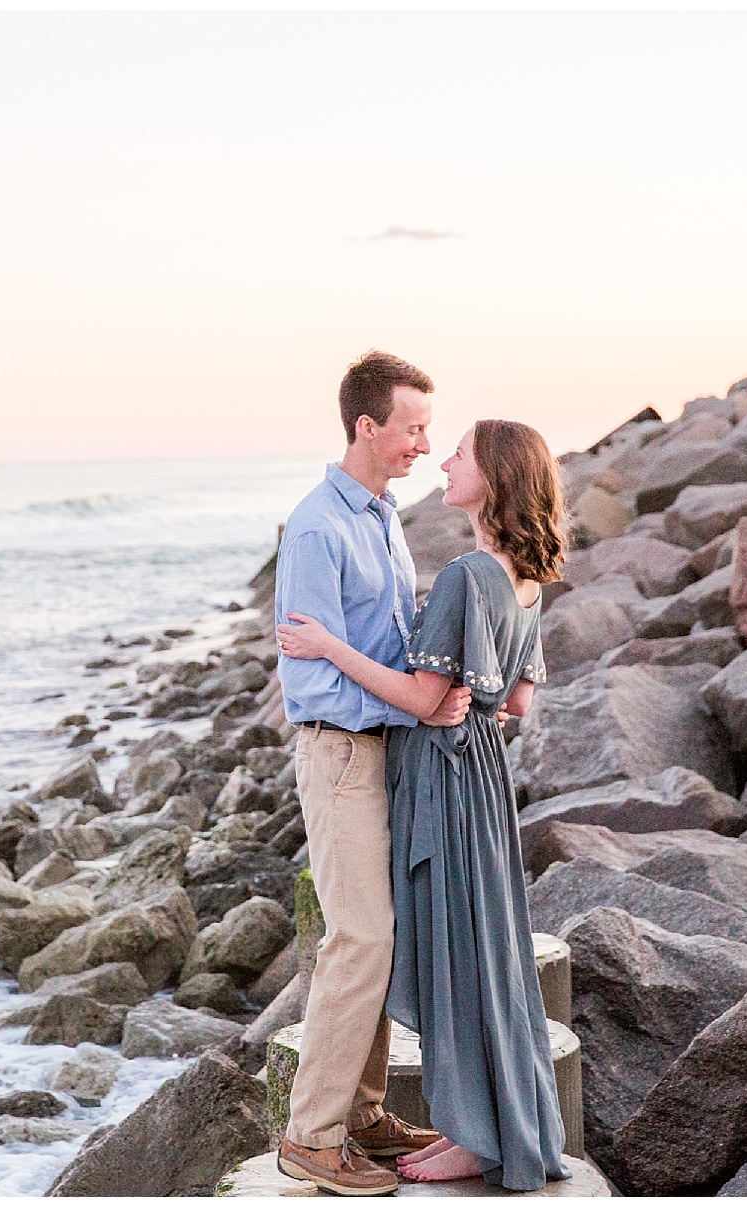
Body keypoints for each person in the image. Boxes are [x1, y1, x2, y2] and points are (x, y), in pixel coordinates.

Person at [277, 418, 572, 1191]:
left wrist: (333, 647)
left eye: (460, 453)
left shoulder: (468, 577)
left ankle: (473, 1131)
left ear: (496, 479)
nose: (442, 459)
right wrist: (461, 701)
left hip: (442, 780)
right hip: (484, 779)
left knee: (452, 953)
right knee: (486, 947)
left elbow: (419, 694)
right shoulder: (526, 581)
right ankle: (484, 1123)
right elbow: (516, 705)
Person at [271, 351, 470, 1196]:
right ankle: (311, 1136)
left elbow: (388, 640)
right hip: (344, 749)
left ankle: (361, 1113)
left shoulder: (383, 515)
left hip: (387, 745)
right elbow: (308, 674)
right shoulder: (317, 525)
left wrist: (441, 686)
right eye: (413, 426)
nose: (424, 441)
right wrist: (413, 706)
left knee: (381, 936)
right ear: (367, 425)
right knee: (360, 937)